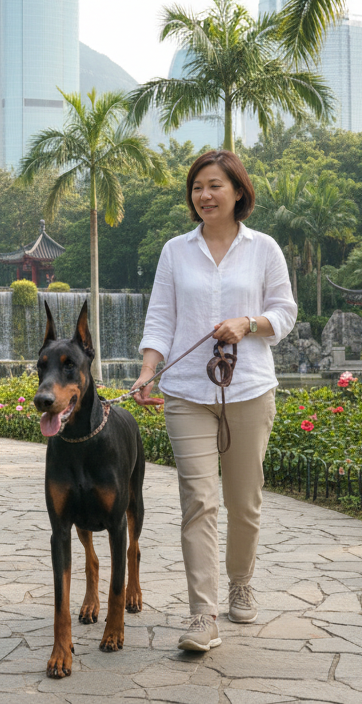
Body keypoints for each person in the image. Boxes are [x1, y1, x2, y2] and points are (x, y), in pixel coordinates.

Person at [133, 149, 296, 653]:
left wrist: (248, 324)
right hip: (186, 392)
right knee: (199, 502)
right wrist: (146, 371)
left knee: (244, 502)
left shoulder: (264, 248)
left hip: (249, 388)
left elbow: (285, 312)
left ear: (238, 192)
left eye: (214, 186)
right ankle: (202, 614)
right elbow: (160, 316)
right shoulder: (175, 251)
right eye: (197, 187)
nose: (204, 195)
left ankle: (241, 582)